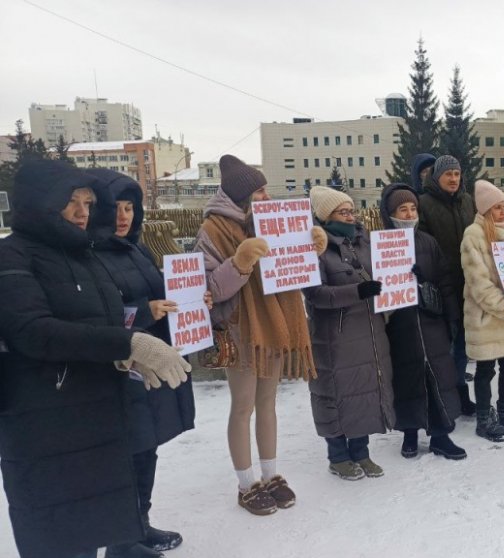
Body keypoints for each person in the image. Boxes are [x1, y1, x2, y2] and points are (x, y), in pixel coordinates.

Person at [0, 160, 191, 558]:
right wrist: (127, 345)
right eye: (70, 201)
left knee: (93, 520)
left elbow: (99, 322)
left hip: (96, 413)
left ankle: (124, 546)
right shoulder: (12, 255)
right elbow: (32, 331)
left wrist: (121, 359)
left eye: (87, 201)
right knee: (61, 536)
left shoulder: (84, 256)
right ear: (39, 202)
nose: (82, 211)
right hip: (45, 423)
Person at [195, 155, 323, 514]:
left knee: (268, 403)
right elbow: (208, 289)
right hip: (241, 328)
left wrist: (311, 246)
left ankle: (271, 474)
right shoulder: (213, 229)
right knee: (243, 405)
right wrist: (239, 262)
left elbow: (292, 270)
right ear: (240, 196)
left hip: (276, 323)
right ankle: (246, 483)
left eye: (266, 190)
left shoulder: (271, 222)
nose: (266, 197)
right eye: (260, 191)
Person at [87, 169, 202, 557]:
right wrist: (143, 312)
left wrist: (189, 302)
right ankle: (122, 541)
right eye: (115, 208)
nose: (124, 216)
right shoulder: (87, 255)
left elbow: (160, 296)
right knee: (124, 455)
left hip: (150, 368)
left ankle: (139, 525)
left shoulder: (135, 249)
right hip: (116, 373)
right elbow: (90, 319)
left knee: (145, 448)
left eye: (130, 207)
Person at [305, 186, 396, 478]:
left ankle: (362, 452)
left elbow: (384, 271)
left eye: (351, 210)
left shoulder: (363, 240)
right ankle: (338, 456)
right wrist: (357, 291)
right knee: (334, 394)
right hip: (335, 336)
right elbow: (316, 294)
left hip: (369, 330)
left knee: (366, 391)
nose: (350, 215)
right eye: (343, 211)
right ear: (325, 216)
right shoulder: (315, 247)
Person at [378, 183, 466, 460]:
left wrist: (451, 316)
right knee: (407, 379)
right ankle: (410, 433)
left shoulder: (428, 242)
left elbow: (445, 282)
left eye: (413, 208)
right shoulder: (379, 244)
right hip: (399, 326)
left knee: (438, 377)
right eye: (402, 209)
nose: (408, 213)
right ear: (390, 214)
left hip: (431, 322)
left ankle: (441, 434)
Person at [460, 180, 504, 442]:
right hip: (487, 317)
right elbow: (479, 284)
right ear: (485, 209)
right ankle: (483, 416)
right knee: (486, 369)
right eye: (498, 207)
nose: (503, 212)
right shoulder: (473, 236)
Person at [418, 155, 477, 415]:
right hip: (440, 286)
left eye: (457, 173)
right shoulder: (424, 203)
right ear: (437, 177)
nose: (453, 179)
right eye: (448, 175)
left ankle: (461, 395)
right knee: (444, 349)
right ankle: (443, 400)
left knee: (462, 347)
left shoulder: (467, 201)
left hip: (467, 286)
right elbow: (423, 245)